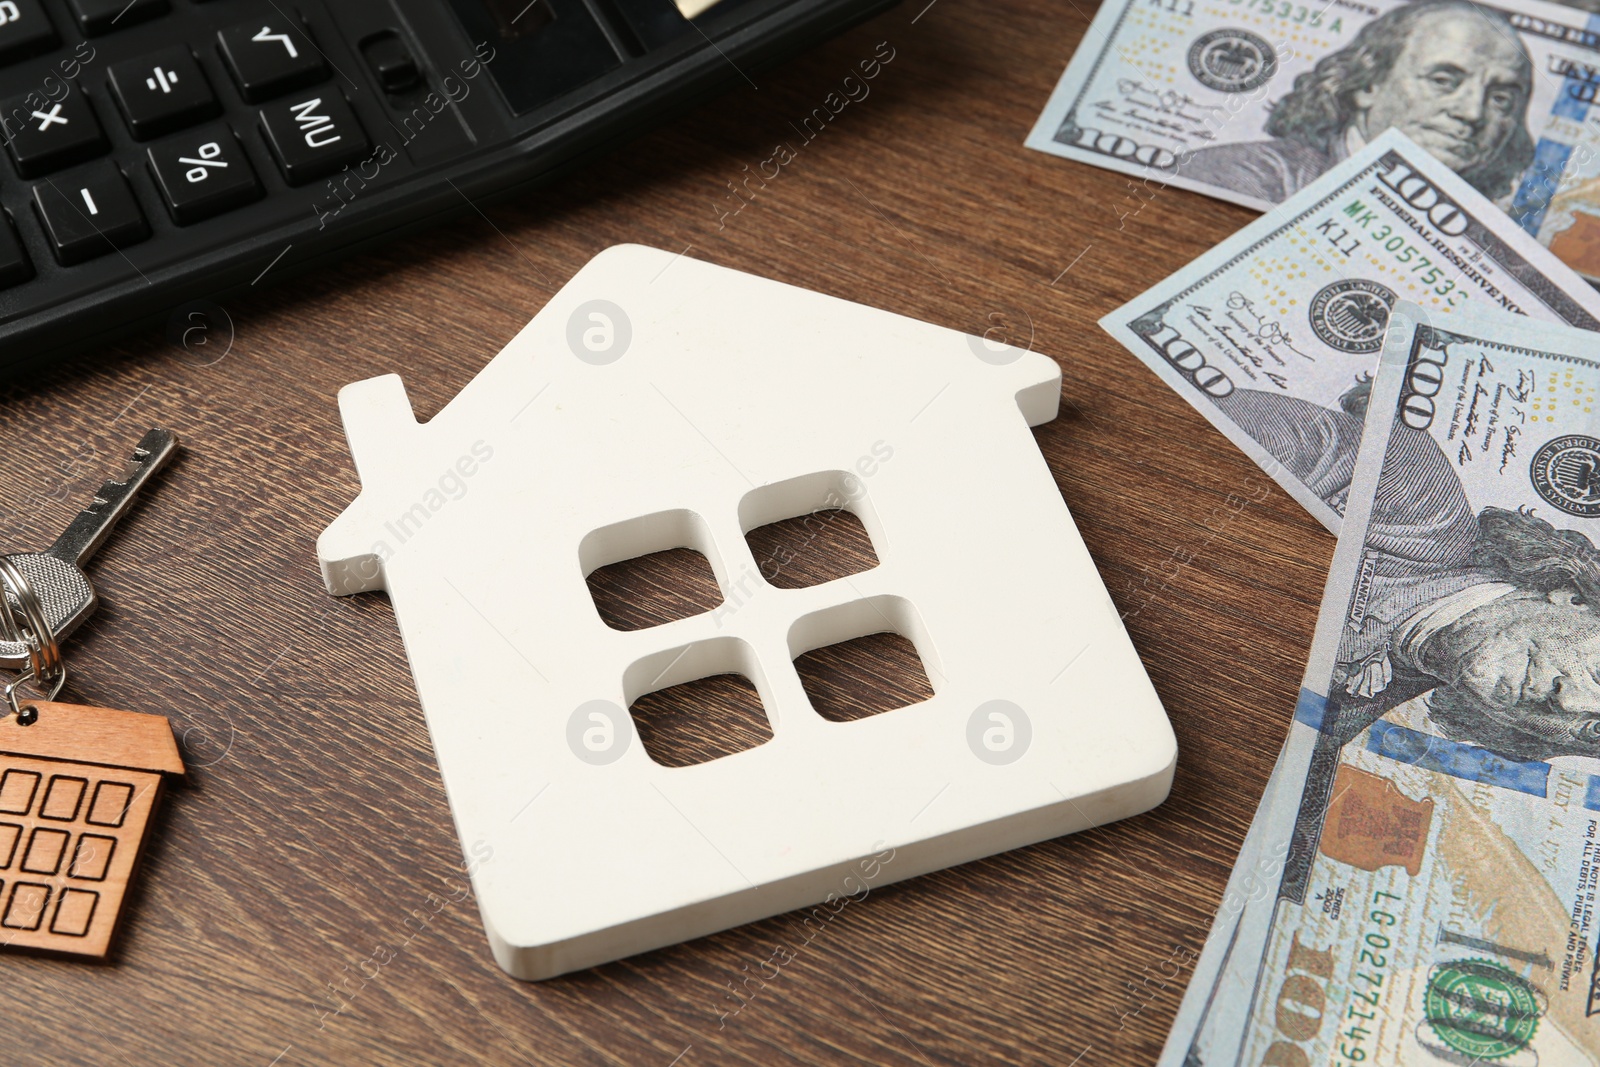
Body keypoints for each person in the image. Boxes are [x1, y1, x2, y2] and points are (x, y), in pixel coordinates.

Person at [1219, 384, 1600, 763]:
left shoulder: (1334, 723)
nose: (1568, 700)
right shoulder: (1419, 499)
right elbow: (1215, 430)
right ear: (1575, 597)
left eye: (1594, 729)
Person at [1181, 0, 1535, 203]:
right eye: (1443, 81)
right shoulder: (1238, 175)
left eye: (1501, 99)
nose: (1472, 112)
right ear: (1368, 84)